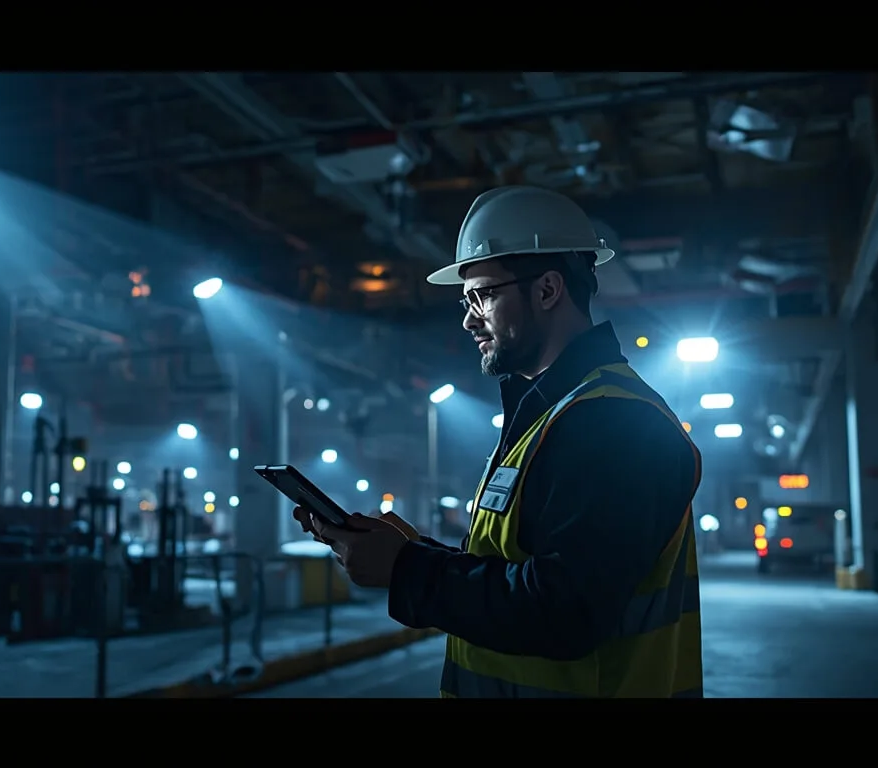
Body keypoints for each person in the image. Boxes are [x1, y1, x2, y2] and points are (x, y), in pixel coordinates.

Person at [295, 186, 703, 698]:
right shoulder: (549, 417)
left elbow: (564, 612)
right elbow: (520, 574)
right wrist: (414, 551)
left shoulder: (614, 422)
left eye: (482, 295)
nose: (468, 318)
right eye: (465, 300)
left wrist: (406, 570)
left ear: (548, 289)